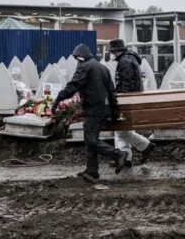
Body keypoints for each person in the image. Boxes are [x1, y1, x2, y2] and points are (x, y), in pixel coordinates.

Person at [52, 43, 128, 184]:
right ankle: (92, 171)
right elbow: (112, 93)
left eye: (77, 59)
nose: (77, 62)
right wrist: (113, 112)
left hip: (93, 110)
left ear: (81, 57)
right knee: (90, 139)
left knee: (91, 140)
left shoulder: (85, 66)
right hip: (102, 110)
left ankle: (118, 155)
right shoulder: (103, 68)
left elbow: (73, 86)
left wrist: (58, 99)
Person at [109, 39, 155, 164]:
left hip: (127, 99)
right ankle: (126, 156)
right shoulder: (130, 59)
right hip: (133, 97)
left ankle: (144, 146)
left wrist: (121, 100)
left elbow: (127, 82)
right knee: (123, 129)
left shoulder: (124, 61)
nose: (111, 54)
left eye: (111, 51)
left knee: (120, 128)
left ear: (116, 51)